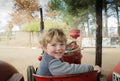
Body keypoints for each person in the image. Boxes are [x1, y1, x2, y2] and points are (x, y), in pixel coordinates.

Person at [36, 27, 101, 76]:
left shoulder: (47, 56)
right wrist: (90, 68)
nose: (59, 48)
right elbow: (70, 69)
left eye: (62, 44)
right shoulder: (53, 63)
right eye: (53, 45)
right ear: (44, 48)